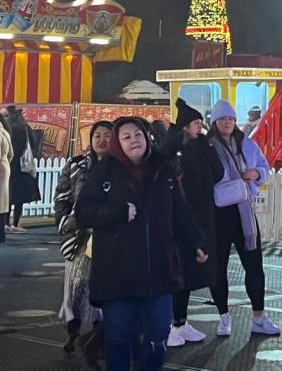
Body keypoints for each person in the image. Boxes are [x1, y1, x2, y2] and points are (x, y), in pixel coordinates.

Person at [75, 117, 207, 371]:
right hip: (117, 276)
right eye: (126, 137)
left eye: (138, 134)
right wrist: (116, 212)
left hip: (158, 271)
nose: (133, 140)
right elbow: (83, 213)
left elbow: (181, 212)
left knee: (158, 337)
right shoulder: (103, 172)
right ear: (117, 143)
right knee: (119, 338)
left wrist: (196, 242)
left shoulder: (163, 170)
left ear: (147, 138)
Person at [207, 99, 279, 338]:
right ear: (214, 122)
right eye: (222, 119)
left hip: (244, 212)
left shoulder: (247, 144)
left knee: (254, 265)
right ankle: (223, 316)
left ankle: (259, 317)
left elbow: (264, 167)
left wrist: (256, 173)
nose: (227, 122)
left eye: (230, 118)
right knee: (218, 268)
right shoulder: (207, 147)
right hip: (217, 213)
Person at [163, 98, 224, 347]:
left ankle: (181, 321)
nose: (200, 126)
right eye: (196, 123)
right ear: (186, 126)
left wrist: (207, 148)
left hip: (201, 215)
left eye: (201, 122)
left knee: (192, 271)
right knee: (178, 269)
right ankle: (171, 324)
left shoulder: (203, 147)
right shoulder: (173, 148)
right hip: (178, 216)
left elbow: (218, 173)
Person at [54, 121, 113, 361]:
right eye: (97, 135)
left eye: (107, 135)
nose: (101, 140)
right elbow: (62, 195)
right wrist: (64, 222)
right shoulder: (76, 164)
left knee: (103, 286)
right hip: (79, 235)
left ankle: (98, 335)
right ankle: (73, 330)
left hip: (107, 235)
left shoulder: (119, 167)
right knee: (75, 285)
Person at [6, 105, 40, 232]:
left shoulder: (7, 130)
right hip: (22, 166)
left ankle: (5, 223)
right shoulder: (25, 129)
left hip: (8, 165)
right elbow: (34, 144)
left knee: (7, 196)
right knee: (19, 197)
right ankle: (15, 224)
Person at [0, 113, 13, 243]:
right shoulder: (5, 132)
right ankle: (1, 234)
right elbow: (11, 154)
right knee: (3, 202)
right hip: (5, 166)